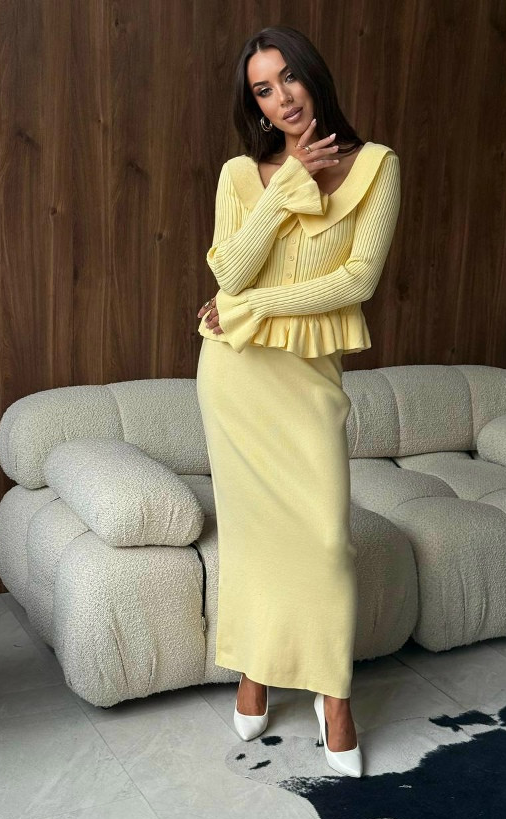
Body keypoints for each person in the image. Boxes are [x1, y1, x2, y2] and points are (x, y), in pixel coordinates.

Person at [196, 25, 400, 778]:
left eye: (288, 77)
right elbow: (230, 272)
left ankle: (332, 696)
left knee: (322, 542)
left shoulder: (376, 167)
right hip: (236, 379)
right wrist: (284, 190)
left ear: (313, 75)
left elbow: (356, 281)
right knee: (253, 537)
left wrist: (250, 310)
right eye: (262, 89)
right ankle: (255, 669)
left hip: (307, 381)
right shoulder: (240, 175)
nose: (281, 98)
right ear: (253, 103)